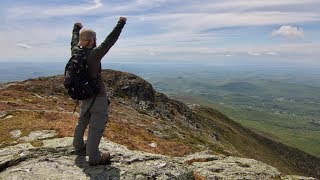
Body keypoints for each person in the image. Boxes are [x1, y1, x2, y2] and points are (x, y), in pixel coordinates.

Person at [71, 17, 127, 165]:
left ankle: (78, 146)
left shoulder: (76, 52)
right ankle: (94, 157)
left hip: (84, 96)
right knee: (96, 127)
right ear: (91, 40)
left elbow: (73, 41)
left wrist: (76, 28)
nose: (96, 41)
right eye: (94, 39)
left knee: (82, 120)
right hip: (98, 97)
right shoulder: (94, 55)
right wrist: (121, 23)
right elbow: (110, 41)